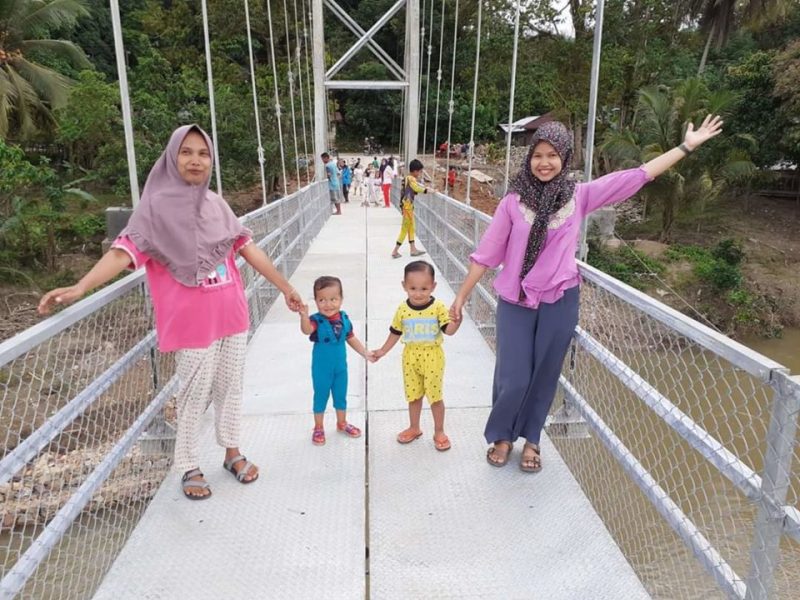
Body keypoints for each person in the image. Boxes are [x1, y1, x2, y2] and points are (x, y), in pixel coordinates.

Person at [38, 125, 304, 499]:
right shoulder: (155, 210)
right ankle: (189, 465)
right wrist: (81, 286)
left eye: (203, 153)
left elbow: (247, 249)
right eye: (186, 152)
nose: (195, 160)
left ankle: (231, 452)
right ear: (171, 157)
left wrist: (287, 288)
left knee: (230, 388)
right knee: (193, 393)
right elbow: (123, 252)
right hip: (193, 324)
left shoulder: (216, 204)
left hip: (232, 314)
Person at [449, 116, 723, 472]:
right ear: (529, 158)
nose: (544, 163)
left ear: (564, 157)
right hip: (516, 300)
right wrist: (460, 298)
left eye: (552, 155)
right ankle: (502, 435)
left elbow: (638, 175)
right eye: (537, 155)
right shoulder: (513, 202)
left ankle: (532, 439)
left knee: (545, 373)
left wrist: (687, 146)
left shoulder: (580, 196)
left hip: (560, 300)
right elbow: (485, 255)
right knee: (513, 377)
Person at [373, 261, 461, 451]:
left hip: (433, 357)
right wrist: (382, 351)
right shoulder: (402, 310)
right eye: (413, 288)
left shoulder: (438, 307)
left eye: (424, 288)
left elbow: (449, 330)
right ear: (404, 285)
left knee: (435, 397)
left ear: (433, 286)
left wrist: (457, 321)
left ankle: (439, 431)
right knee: (413, 396)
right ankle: (414, 427)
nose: (418, 293)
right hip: (410, 357)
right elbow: (395, 333)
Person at [299, 276, 374, 445]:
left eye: (333, 299)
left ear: (341, 299)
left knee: (341, 395)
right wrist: (304, 316)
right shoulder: (315, 321)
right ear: (316, 301)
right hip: (321, 369)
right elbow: (306, 330)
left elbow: (351, 338)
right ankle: (318, 427)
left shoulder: (344, 318)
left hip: (341, 368)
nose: (328, 304)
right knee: (321, 396)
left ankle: (342, 423)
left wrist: (365, 353)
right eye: (322, 300)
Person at [391, 158, 428, 259]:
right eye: (420, 172)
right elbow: (416, 188)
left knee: (411, 227)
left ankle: (413, 249)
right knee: (405, 229)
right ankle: (395, 251)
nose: (420, 174)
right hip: (408, 207)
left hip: (407, 207)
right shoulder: (411, 178)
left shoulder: (407, 178)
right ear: (415, 171)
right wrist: (428, 190)